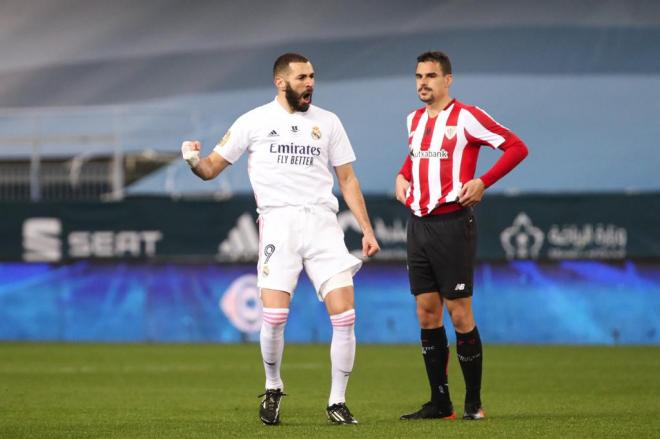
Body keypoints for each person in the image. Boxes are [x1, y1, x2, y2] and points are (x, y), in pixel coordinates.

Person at [181, 53, 380, 425]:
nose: (310, 83)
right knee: (274, 317)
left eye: (312, 76)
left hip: (323, 224)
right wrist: (192, 159)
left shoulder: (329, 122)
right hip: (279, 224)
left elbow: (348, 180)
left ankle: (337, 401)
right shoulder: (254, 121)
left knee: (346, 317)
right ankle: (273, 387)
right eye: (302, 77)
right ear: (281, 82)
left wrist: (366, 230)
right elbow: (209, 169)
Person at [395, 51, 528, 421]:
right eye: (419, 76)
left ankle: (474, 403)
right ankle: (440, 404)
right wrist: (402, 175)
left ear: (448, 80)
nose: (423, 82)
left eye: (431, 76)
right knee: (426, 313)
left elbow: (517, 147)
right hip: (418, 224)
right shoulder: (414, 120)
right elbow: (416, 156)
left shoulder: (467, 117)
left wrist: (484, 181)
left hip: (452, 224)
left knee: (459, 312)